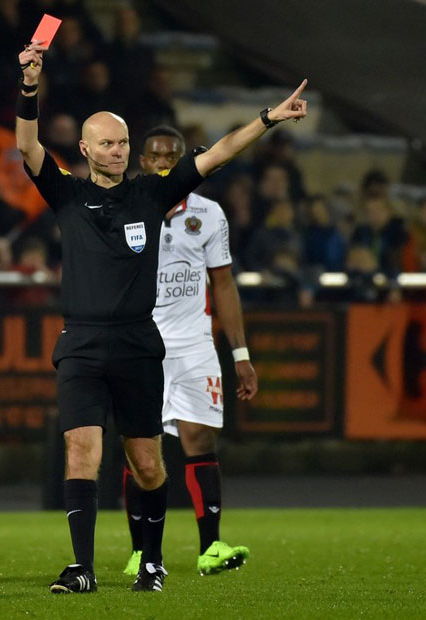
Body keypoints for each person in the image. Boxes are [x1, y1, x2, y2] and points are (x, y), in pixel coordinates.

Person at [15, 41, 306, 594]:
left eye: (124, 142)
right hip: (80, 343)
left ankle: (150, 561)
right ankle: (81, 569)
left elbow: (217, 154)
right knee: (82, 448)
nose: (119, 150)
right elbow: (25, 143)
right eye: (108, 143)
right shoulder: (65, 194)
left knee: (148, 462)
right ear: (84, 147)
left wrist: (270, 118)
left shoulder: (151, 195)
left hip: (137, 345)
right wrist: (29, 84)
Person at [121, 125, 257, 579]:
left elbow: (223, 282)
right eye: (155, 155)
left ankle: (211, 546)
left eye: (171, 156)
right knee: (142, 449)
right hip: (142, 346)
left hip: (196, 346)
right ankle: (141, 551)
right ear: (142, 161)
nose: (162, 162)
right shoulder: (127, 206)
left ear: (182, 161)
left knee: (201, 439)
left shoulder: (209, 213)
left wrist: (240, 355)